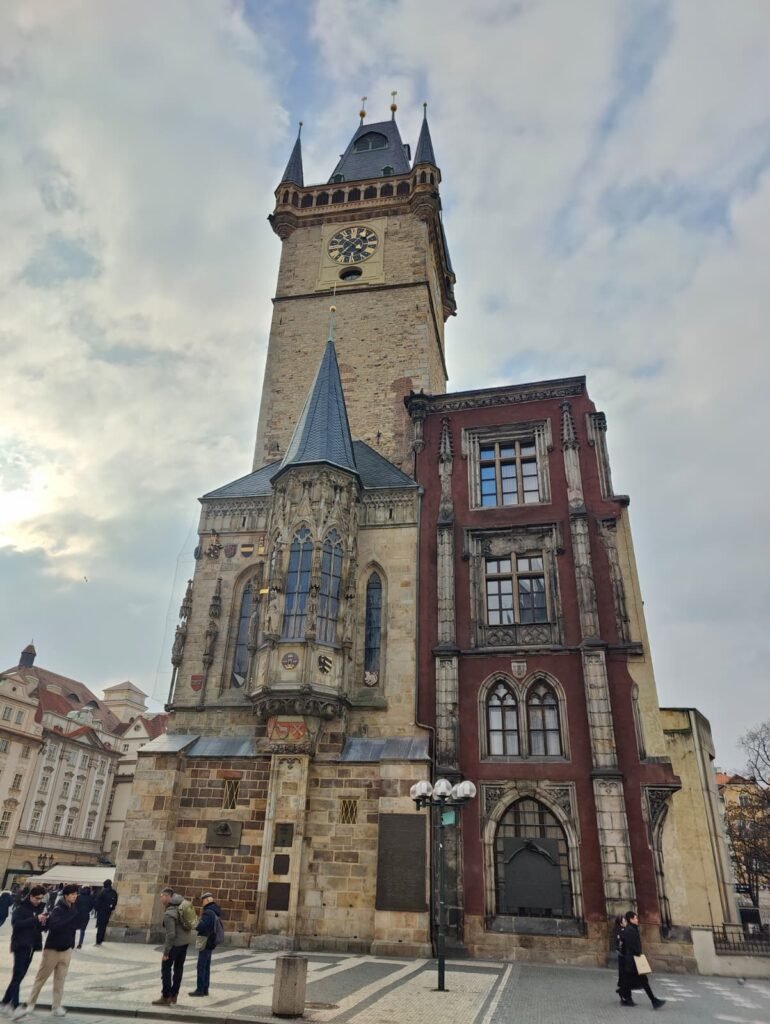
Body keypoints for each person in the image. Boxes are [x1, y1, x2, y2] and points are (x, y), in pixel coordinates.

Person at [19, 883, 79, 1018]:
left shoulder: (74, 909)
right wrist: (70, 919)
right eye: (73, 894)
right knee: (41, 977)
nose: (75, 896)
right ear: (66, 896)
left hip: (66, 949)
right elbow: (54, 926)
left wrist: (72, 944)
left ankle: (56, 1006)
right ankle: (31, 1003)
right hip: (53, 949)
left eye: (76, 894)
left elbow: (74, 928)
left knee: (60, 980)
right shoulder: (58, 909)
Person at [0, 885, 47, 1019]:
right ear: (31, 896)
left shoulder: (40, 908)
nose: (39, 900)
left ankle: (4, 1003)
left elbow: (39, 928)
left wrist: (44, 922)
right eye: (37, 898)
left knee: (19, 976)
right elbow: (16, 924)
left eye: (41, 898)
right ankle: (15, 1007)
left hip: (32, 946)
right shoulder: (20, 908)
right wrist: (35, 919)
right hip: (20, 945)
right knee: (18, 975)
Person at [152, 888, 194, 1007]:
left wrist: (166, 952)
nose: (160, 898)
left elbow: (171, 935)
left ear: (167, 896)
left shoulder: (169, 913)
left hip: (175, 944)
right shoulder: (182, 905)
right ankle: (174, 995)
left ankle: (166, 996)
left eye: (161, 896)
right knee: (178, 969)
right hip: (184, 943)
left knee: (166, 967)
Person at [619, 910, 666, 1009]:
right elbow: (632, 946)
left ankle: (625, 997)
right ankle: (654, 1001)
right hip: (633, 960)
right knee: (643, 981)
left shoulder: (631, 929)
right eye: (636, 918)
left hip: (631, 960)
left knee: (628, 981)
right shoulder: (630, 930)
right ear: (631, 919)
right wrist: (638, 954)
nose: (637, 920)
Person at [189, 892, 222, 998]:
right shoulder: (215, 911)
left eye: (203, 901)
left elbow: (202, 927)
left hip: (205, 941)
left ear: (207, 900)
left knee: (201, 966)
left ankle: (200, 989)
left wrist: (195, 922)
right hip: (210, 941)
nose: (202, 903)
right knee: (206, 966)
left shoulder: (208, 912)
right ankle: (205, 988)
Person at [92, 879, 118, 945]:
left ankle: (98, 941)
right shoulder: (114, 892)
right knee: (104, 926)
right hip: (108, 911)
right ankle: (101, 939)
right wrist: (111, 908)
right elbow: (115, 902)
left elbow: (97, 902)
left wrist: (97, 909)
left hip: (101, 911)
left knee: (100, 926)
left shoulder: (102, 892)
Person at [612, 914, 626, 999]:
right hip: (623, 955)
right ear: (621, 923)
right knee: (624, 974)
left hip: (622, 955)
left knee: (623, 974)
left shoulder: (619, 930)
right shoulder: (620, 931)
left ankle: (621, 989)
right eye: (624, 921)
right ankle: (622, 990)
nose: (626, 922)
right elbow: (620, 943)